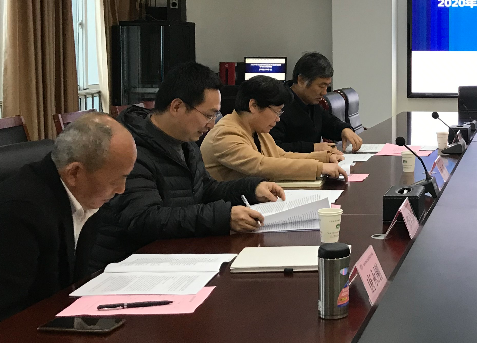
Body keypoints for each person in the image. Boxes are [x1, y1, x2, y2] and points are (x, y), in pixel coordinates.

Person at [89, 63, 286, 272]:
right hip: (129, 267)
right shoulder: (131, 149)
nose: (212, 124)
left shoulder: (186, 142)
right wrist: (222, 217)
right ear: (177, 107)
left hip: (175, 254)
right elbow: (144, 219)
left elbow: (206, 189)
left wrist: (252, 188)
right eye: (208, 115)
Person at [0, 113, 137, 320]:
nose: (121, 189)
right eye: (114, 181)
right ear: (74, 173)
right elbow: (9, 314)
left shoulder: (85, 194)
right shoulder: (20, 214)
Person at [201, 76, 349, 182]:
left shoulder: (256, 130)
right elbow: (261, 165)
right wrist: (319, 168)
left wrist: (324, 157)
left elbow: (281, 156)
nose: (278, 119)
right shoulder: (225, 134)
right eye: (276, 112)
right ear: (253, 106)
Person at [270, 52, 364, 153]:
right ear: (301, 80)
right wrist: (312, 148)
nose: (324, 93)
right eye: (321, 86)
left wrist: (344, 129)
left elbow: (329, 123)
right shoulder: (277, 105)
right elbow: (273, 148)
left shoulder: (311, 103)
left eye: (327, 86)